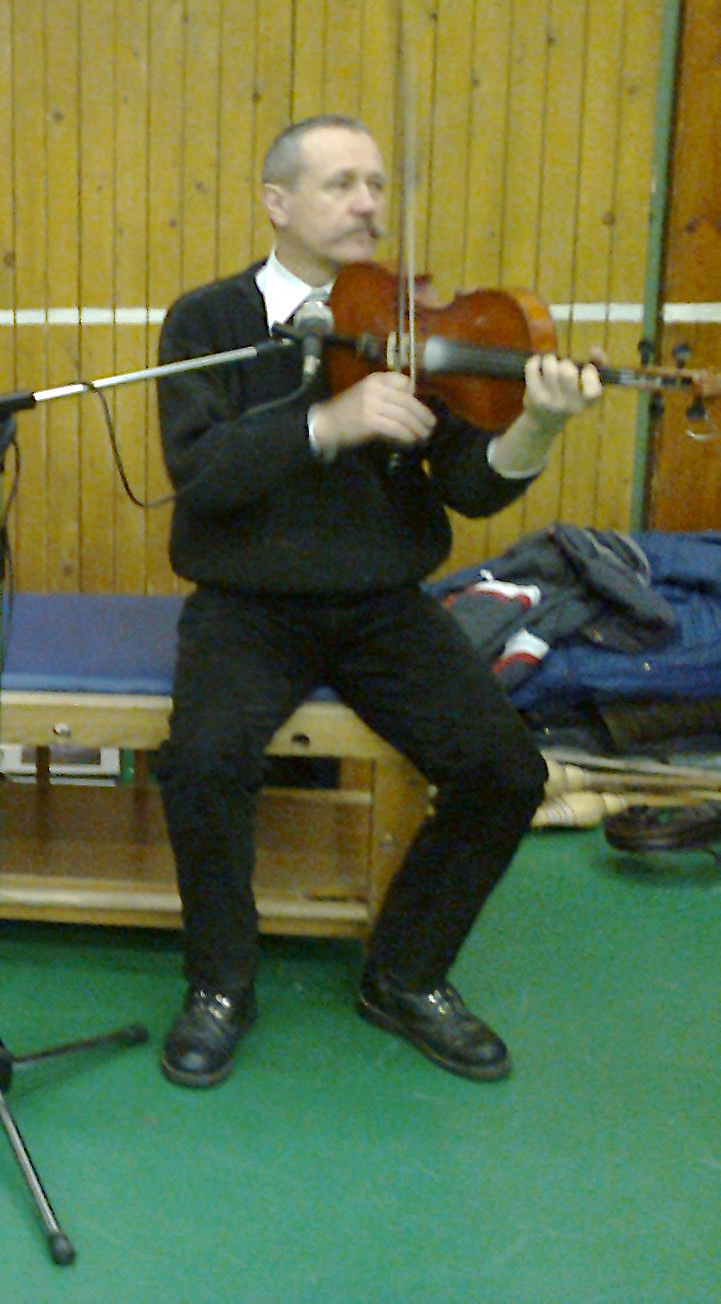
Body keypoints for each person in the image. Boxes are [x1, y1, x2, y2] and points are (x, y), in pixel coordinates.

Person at [150, 115, 601, 1088]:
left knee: (503, 772)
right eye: (341, 184)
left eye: (376, 185)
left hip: (384, 605)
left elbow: (469, 486)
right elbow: (200, 473)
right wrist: (328, 422)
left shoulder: (415, 329)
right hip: (245, 605)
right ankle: (220, 982)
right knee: (202, 764)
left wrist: (536, 429)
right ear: (277, 203)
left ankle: (404, 974)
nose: (367, 204)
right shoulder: (208, 321)